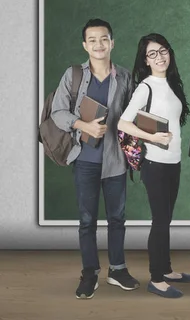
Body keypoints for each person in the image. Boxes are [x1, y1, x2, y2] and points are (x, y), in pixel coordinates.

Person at [51, 18, 140, 299]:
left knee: (117, 218)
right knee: (87, 220)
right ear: (85, 45)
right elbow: (58, 112)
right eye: (92, 40)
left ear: (112, 43)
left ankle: (117, 269)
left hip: (115, 160)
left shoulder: (125, 77)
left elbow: (133, 116)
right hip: (85, 160)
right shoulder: (74, 74)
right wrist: (84, 125)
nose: (99, 45)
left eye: (104, 39)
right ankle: (90, 273)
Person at [117, 33, 190, 299]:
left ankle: (167, 270)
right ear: (145, 60)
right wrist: (151, 137)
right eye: (152, 54)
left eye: (163, 51)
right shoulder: (146, 87)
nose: (160, 57)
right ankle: (156, 278)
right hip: (155, 163)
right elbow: (123, 123)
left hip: (173, 162)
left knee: (166, 219)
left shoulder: (171, 84)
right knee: (160, 221)